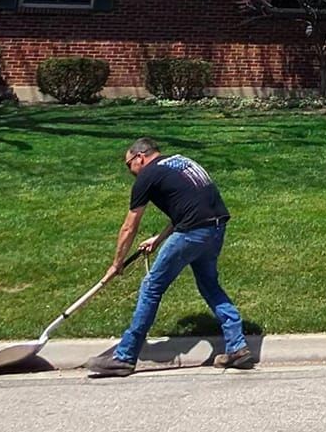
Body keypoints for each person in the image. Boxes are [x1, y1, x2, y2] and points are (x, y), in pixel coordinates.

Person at [89, 138, 253, 377]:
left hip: (192, 232)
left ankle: (124, 357)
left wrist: (116, 264)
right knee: (209, 285)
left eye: (128, 165)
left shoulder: (147, 175)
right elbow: (187, 206)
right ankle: (237, 346)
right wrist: (158, 239)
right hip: (216, 227)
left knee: (151, 287)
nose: (130, 172)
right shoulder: (179, 162)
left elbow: (129, 226)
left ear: (140, 157)